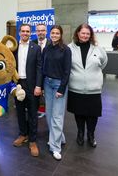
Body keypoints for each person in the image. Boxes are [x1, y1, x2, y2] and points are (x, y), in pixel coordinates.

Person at [67, 23, 108, 148]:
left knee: (92, 114)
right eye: (83, 33)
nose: (85, 35)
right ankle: (80, 133)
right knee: (78, 113)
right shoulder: (70, 48)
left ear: (90, 35)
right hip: (76, 88)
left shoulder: (98, 48)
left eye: (87, 33)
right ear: (78, 33)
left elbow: (103, 63)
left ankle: (91, 135)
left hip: (93, 89)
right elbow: (67, 66)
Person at [42, 25, 71, 160]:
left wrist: (61, 88)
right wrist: (42, 85)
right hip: (47, 83)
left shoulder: (65, 50)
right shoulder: (47, 48)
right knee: (49, 114)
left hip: (59, 85)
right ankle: (60, 137)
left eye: (57, 33)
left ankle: (55, 147)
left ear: (61, 35)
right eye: (52, 33)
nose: (54, 35)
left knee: (57, 115)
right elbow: (43, 67)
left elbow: (67, 71)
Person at [13, 24, 42, 157]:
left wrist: (38, 86)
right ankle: (23, 134)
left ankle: (33, 140)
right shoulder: (13, 47)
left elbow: (39, 68)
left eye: (27, 31)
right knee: (19, 111)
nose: (25, 33)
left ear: (31, 33)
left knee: (32, 113)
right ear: (19, 32)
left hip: (31, 85)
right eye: (23, 31)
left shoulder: (36, 48)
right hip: (18, 83)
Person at [33, 23, 52, 118]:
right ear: (36, 32)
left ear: (46, 31)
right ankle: (36, 112)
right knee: (36, 97)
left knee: (48, 98)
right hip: (35, 76)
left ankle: (47, 113)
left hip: (48, 76)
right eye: (38, 31)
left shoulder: (51, 44)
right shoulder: (32, 43)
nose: (41, 32)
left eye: (43, 30)